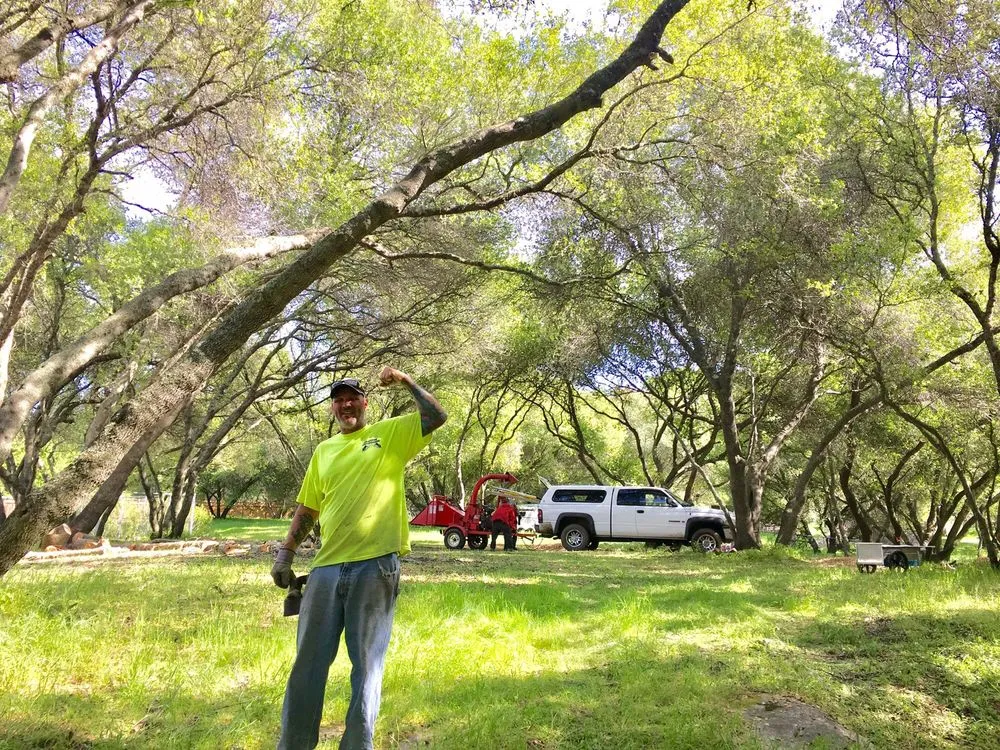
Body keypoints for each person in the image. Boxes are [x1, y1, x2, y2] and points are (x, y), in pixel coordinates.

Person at [271, 367, 447, 750]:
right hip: (326, 569)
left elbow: (436, 416)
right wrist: (285, 554)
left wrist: (405, 380)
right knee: (307, 665)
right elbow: (308, 507)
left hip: (375, 566)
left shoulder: (390, 434)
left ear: (365, 403)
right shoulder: (324, 451)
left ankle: (357, 744)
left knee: (366, 666)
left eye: (352, 397)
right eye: (339, 399)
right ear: (333, 408)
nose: (346, 403)